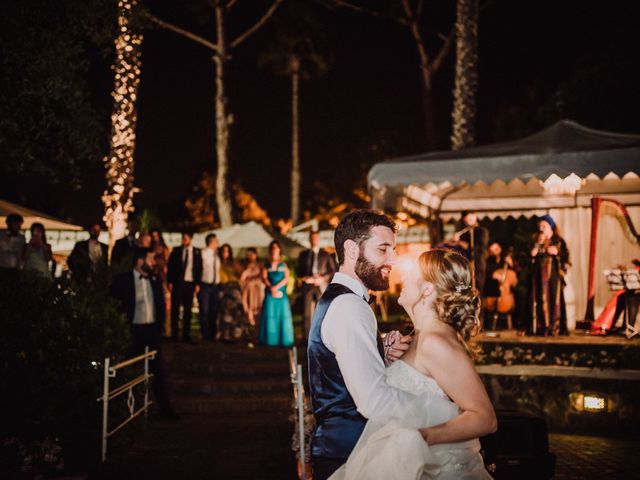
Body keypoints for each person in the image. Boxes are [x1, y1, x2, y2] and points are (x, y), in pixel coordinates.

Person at [332, 249, 497, 479]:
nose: (403, 278)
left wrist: (423, 438)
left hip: (435, 465)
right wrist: (386, 355)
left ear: (427, 288)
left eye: (411, 273)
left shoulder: (435, 342)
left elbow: (485, 418)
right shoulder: (418, 336)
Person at [308, 209, 423, 480]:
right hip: (350, 454)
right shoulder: (349, 307)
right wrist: (432, 410)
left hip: (342, 448)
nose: (393, 259)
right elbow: (373, 402)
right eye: (383, 249)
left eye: (393, 250)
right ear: (351, 250)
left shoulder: (341, 300)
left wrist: (381, 349)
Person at [110, 247, 178, 419]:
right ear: (139, 261)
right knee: (126, 368)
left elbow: (160, 304)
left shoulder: (154, 280)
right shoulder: (122, 280)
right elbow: (114, 304)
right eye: (150, 259)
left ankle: (165, 408)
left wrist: (160, 325)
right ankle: (120, 410)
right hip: (132, 330)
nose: (153, 262)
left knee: (158, 371)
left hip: (151, 331)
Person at [529, 215, 570, 336]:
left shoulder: (558, 241)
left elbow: (566, 257)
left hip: (553, 277)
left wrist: (557, 252)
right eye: (539, 226)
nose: (541, 229)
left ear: (550, 227)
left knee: (553, 299)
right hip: (538, 277)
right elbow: (526, 257)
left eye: (544, 226)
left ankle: (554, 326)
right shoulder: (535, 240)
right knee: (539, 299)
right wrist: (534, 251)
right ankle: (541, 326)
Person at [297, 230, 337, 340]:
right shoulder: (303, 255)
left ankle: (323, 337)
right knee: (306, 313)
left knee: (323, 311)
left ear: (318, 239)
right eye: (312, 238)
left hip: (321, 286)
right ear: (309, 239)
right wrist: (304, 278)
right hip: (308, 286)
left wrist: (322, 278)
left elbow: (332, 271)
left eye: (315, 238)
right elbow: (299, 271)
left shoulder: (325, 255)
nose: (314, 240)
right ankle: (306, 338)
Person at [167, 231, 202, 342]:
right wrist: (170, 281)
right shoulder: (177, 251)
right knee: (175, 308)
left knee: (188, 309)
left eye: (186, 238)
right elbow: (171, 266)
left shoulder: (196, 252)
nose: (184, 241)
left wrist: (197, 283)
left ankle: (186, 334)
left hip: (190, 283)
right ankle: (174, 334)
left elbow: (199, 269)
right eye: (183, 238)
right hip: (178, 282)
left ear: (191, 239)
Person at [259, 240, 295, 347]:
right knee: (269, 315)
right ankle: (270, 340)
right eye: (272, 248)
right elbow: (264, 277)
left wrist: (276, 287)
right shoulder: (266, 265)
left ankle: (284, 340)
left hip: (281, 293)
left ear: (279, 250)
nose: (274, 250)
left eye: (276, 247)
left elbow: (286, 278)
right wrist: (271, 288)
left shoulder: (284, 264)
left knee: (282, 316)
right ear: (270, 250)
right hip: (270, 293)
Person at [453, 211, 489, 293]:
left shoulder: (482, 231)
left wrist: (459, 242)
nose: (468, 222)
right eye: (466, 221)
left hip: (478, 264)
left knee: (478, 289)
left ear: (475, 217)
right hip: (466, 264)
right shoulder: (464, 232)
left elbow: (479, 248)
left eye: (470, 219)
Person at [217, 243, 246, 342]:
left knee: (234, 312)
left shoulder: (233, 263)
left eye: (227, 251)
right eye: (223, 251)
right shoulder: (218, 262)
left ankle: (235, 334)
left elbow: (241, 274)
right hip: (222, 288)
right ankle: (224, 334)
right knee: (224, 312)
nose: (225, 253)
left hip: (233, 289)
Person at [199, 234, 222, 341]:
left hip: (215, 286)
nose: (218, 243)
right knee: (204, 310)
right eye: (216, 241)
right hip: (205, 285)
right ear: (211, 242)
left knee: (214, 310)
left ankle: (212, 334)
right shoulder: (203, 254)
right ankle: (205, 334)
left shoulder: (217, 256)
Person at [240, 247, 265, 329]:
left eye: (252, 254)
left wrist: (253, 280)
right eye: (248, 255)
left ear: (256, 254)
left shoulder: (261, 265)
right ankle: (250, 327)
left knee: (258, 308)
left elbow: (263, 277)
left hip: (258, 290)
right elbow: (242, 278)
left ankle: (258, 330)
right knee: (249, 308)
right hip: (249, 291)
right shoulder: (245, 266)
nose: (250, 256)